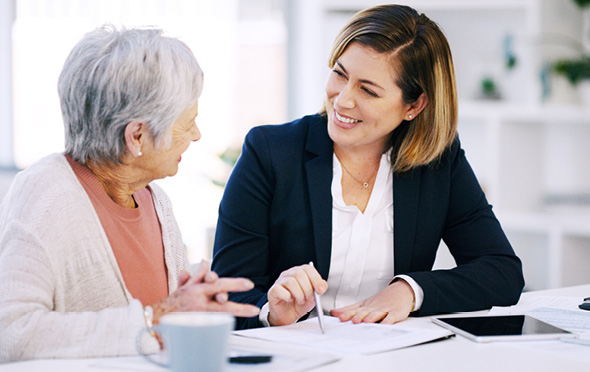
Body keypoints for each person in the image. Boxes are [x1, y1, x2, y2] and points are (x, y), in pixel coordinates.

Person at [211, 4, 525, 330]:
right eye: (339, 74)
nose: (343, 100)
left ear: (414, 106)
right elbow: (227, 295)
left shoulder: (438, 163)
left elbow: (501, 271)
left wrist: (409, 291)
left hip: (394, 355)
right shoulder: (270, 152)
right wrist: (271, 312)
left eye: (368, 90)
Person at [0, 25, 260, 362]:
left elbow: (160, 330)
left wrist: (192, 307)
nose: (196, 135)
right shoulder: (46, 192)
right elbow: (11, 334)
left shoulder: (157, 202)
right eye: (187, 122)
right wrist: (156, 319)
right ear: (136, 136)